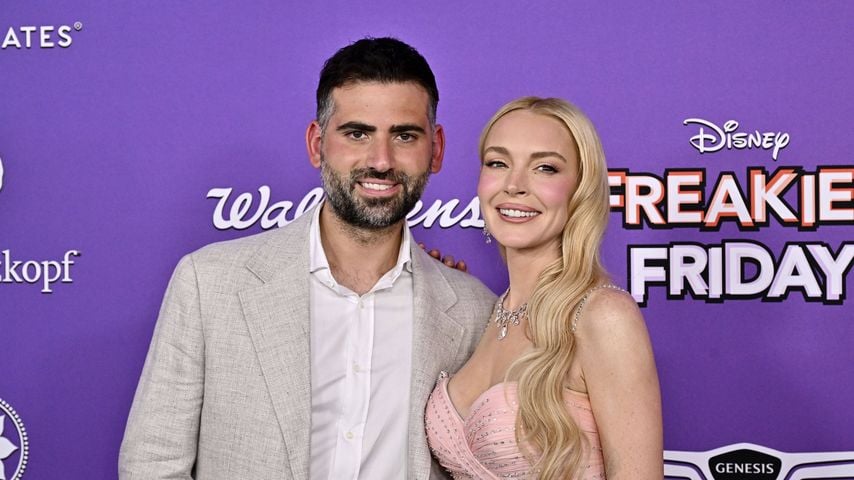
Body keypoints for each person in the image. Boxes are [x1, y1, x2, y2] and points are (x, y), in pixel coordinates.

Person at [119, 37, 496, 480]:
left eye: (404, 135)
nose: (381, 160)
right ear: (317, 144)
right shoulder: (209, 284)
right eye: (357, 133)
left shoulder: (474, 310)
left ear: (436, 150)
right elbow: (152, 464)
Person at [425, 97, 663, 479]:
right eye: (497, 163)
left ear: (580, 189)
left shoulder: (602, 316)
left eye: (545, 168)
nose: (514, 186)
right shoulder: (487, 311)